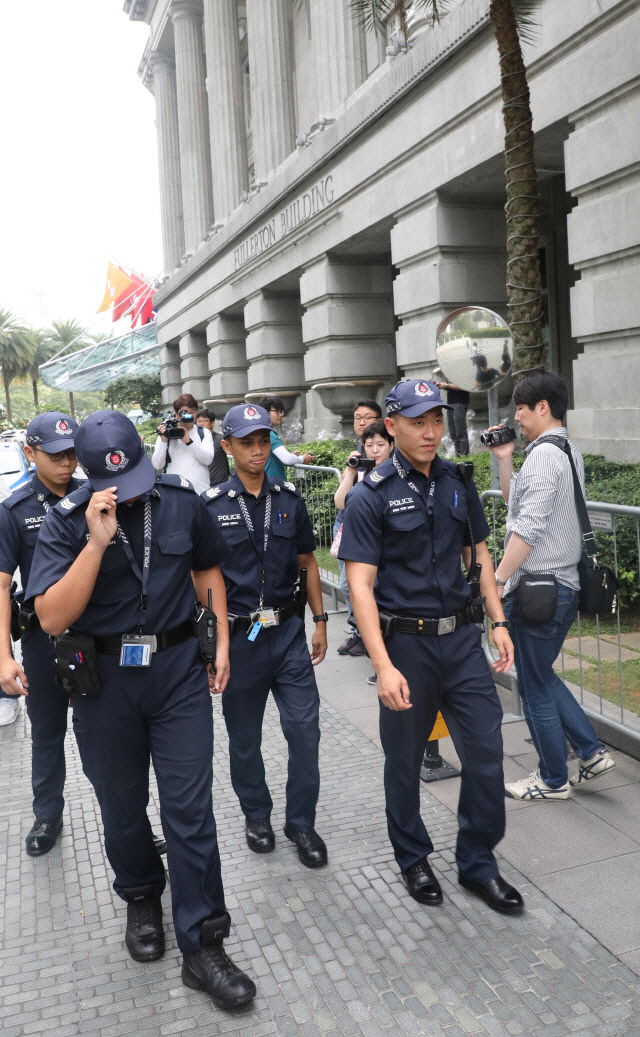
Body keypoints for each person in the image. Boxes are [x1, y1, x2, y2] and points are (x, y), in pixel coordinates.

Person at [25, 410, 255, 1010]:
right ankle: (141, 895)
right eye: (112, 489)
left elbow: (207, 570)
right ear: (87, 473)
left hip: (178, 672)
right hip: (103, 684)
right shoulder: (65, 522)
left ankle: (204, 943)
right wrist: (96, 543)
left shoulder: (179, 501)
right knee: (122, 808)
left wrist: (221, 641)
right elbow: (51, 616)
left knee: (190, 810)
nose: (125, 499)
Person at [340, 379, 524, 917]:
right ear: (391, 426)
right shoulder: (370, 494)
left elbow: (482, 555)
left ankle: (478, 864)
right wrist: (381, 662)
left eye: (436, 421)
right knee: (403, 762)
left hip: (462, 643)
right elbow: (359, 586)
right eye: (418, 422)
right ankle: (413, 857)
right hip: (406, 648)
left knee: (487, 755)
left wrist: (498, 621)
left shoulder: (456, 482)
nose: (429, 432)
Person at [202, 404, 329, 869]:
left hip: (289, 634)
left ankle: (301, 822)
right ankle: (257, 815)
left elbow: (308, 563)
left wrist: (319, 620)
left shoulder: (290, 499)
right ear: (227, 446)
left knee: (304, 731)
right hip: (241, 641)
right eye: (247, 442)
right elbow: (204, 577)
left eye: (263, 441)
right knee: (244, 738)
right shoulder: (211, 506)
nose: (258, 450)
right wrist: (215, 646)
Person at [487, 371, 615, 801]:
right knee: (543, 675)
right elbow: (516, 503)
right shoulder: (563, 450)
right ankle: (591, 752)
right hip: (561, 585)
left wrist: (498, 581)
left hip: (540, 587)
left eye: (521, 408)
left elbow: (527, 527)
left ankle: (552, 778)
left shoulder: (544, 456)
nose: (517, 417)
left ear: (543, 407)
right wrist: (505, 457)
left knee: (536, 684)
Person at [0, 414, 81, 845]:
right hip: (41, 640)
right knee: (47, 733)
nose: (66, 463)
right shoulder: (14, 511)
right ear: (29, 454)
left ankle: (130, 819)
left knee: (110, 735)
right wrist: (3, 656)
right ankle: (47, 816)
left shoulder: (95, 496)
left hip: (95, 641)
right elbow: (0, 586)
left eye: (72, 453)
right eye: (55, 455)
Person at [335, 399, 383, 657]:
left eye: (368, 417)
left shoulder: (391, 462)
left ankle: (369, 637)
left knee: (364, 587)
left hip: (373, 534)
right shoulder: (358, 453)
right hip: (348, 526)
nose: (362, 422)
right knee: (348, 586)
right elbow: (341, 501)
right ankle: (360, 632)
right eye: (357, 418)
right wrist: (350, 469)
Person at [152, 393, 213, 495]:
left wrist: (189, 442)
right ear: (176, 413)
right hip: (176, 495)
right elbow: (157, 465)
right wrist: (164, 441)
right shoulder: (167, 432)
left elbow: (208, 460)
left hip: (200, 493)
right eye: (184, 412)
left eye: (193, 411)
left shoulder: (203, 433)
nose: (189, 415)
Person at [258, 395, 315, 478]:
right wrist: (303, 459)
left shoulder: (260, 432)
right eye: (276, 411)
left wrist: (291, 456)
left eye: (281, 411)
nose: (280, 415)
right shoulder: (269, 434)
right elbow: (287, 459)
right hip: (273, 486)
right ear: (265, 412)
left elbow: (271, 458)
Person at [196, 407, 230, 486]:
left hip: (219, 484)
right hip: (201, 485)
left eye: (205, 421)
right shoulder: (193, 441)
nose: (201, 424)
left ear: (212, 423)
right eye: (199, 421)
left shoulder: (221, 440)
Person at [435, 379, 470, 456]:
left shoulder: (461, 372)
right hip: (450, 402)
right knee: (452, 432)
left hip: (460, 402)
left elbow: (464, 386)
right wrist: (442, 385)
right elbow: (451, 387)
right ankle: (458, 454)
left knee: (460, 430)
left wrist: (447, 385)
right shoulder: (450, 374)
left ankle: (465, 455)